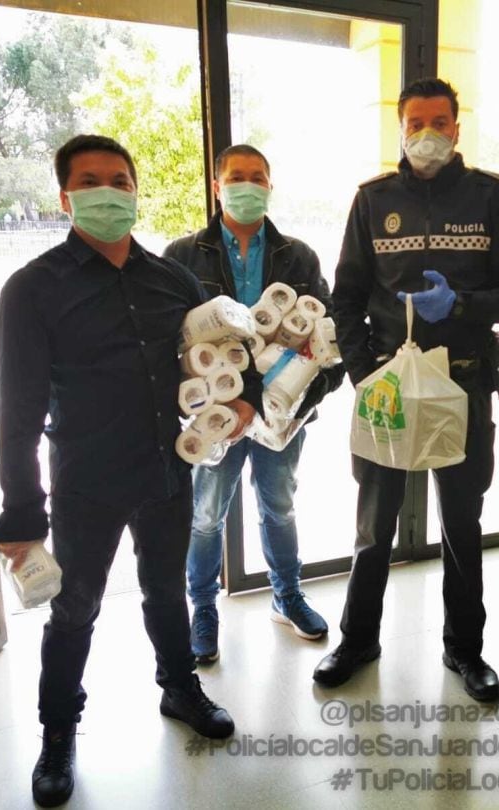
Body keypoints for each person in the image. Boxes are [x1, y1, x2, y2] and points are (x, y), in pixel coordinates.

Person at [0, 135, 260, 807]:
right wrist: (23, 510)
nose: (108, 192)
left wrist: (247, 393)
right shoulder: (31, 290)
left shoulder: (172, 278)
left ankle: (179, 687)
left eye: (119, 180)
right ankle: (59, 736)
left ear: (136, 192)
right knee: (74, 611)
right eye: (90, 181)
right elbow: (17, 411)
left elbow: (227, 343)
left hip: (166, 468)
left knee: (166, 592)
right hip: (84, 478)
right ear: (65, 197)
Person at [314, 78, 499, 702]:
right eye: (416, 122)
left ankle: (465, 650)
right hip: (388, 382)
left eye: (440, 121)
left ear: (458, 128)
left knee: (462, 525)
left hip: (461, 382)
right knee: (373, 526)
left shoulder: (494, 197)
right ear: (400, 127)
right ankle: (358, 640)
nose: (428, 133)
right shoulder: (372, 200)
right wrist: (364, 374)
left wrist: (461, 304)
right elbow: (346, 297)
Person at [164, 144, 343, 658]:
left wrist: (299, 403)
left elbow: (326, 340)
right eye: (236, 177)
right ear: (217, 186)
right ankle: (202, 607)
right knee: (205, 515)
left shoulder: (299, 257)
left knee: (279, 507)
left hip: (281, 416)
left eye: (257, 177)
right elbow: (171, 344)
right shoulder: (182, 256)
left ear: (270, 185)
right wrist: (217, 405)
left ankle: (286, 596)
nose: (248, 185)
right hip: (215, 413)